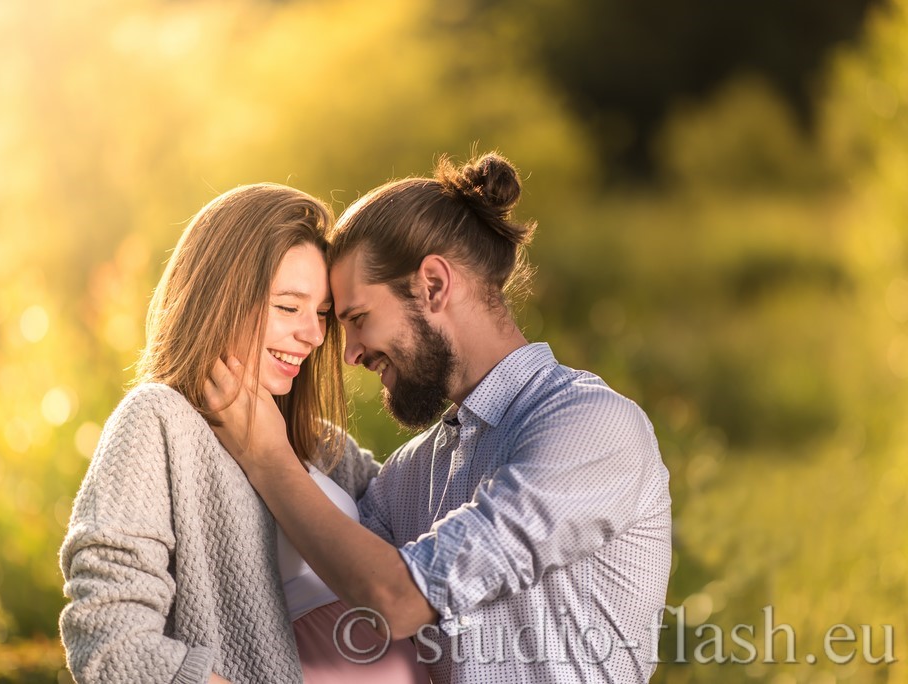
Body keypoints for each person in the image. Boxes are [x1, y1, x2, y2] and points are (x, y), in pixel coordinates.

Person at [203, 153, 673, 683]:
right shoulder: (410, 474)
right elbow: (337, 594)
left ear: (432, 285)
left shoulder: (591, 426)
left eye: (357, 319)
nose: (349, 353)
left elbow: (396, 599)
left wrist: (268, 457)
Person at [58, 184, 430, 683]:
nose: (315, 336)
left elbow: (425, 544)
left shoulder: (320, 444)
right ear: (221, 298)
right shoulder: (159, 422)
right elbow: (111, 642)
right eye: (288, 307)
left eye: (321, 314)